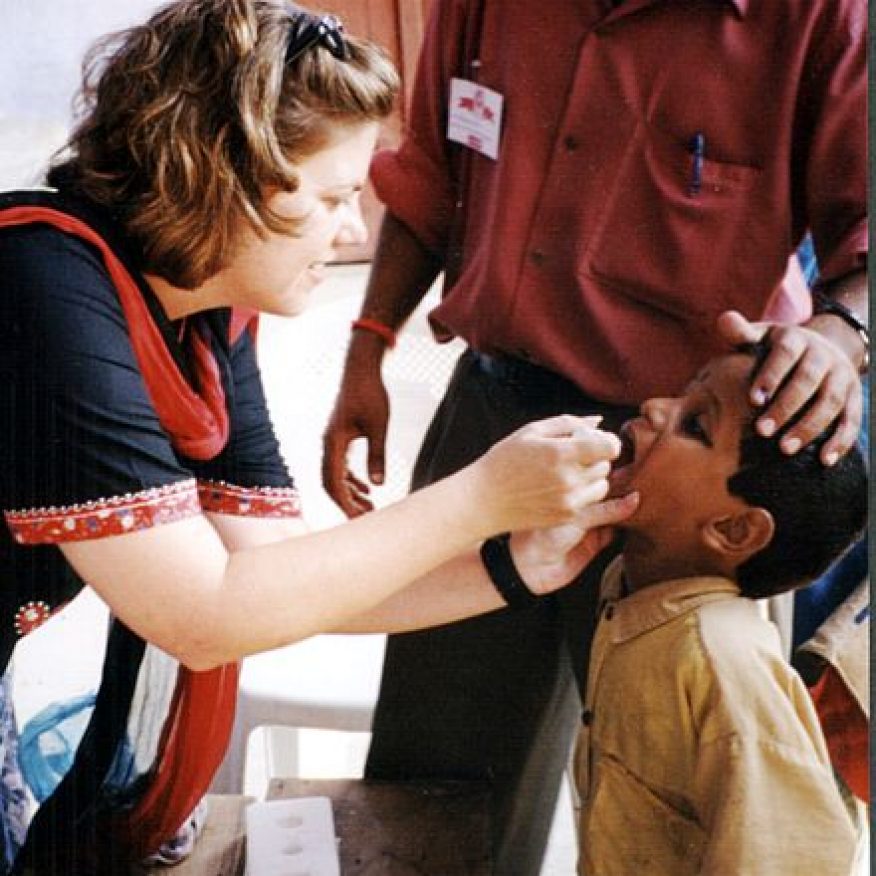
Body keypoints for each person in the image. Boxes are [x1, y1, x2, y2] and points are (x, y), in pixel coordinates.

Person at [0, 2, 639, 872]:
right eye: (336, 196)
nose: (352, 231)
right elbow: (205, 612)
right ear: (221, 172)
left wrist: (513, 565)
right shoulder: (40, 290)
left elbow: (277, 578)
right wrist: (481, 497)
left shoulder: (208, 322)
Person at [321, 1, 868, 872]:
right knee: (435, 776)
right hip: (493, 420)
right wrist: (369, 344)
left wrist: (842, 338)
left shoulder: (820, 21)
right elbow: (431, 171)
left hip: (694, 474)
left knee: (682, 784)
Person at [571, 341, 867, 875]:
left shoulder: (724, 663)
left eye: (693, 424)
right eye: (684, 395)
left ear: (735, 530)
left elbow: (786, 857)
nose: (656, 406)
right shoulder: (626, 584)